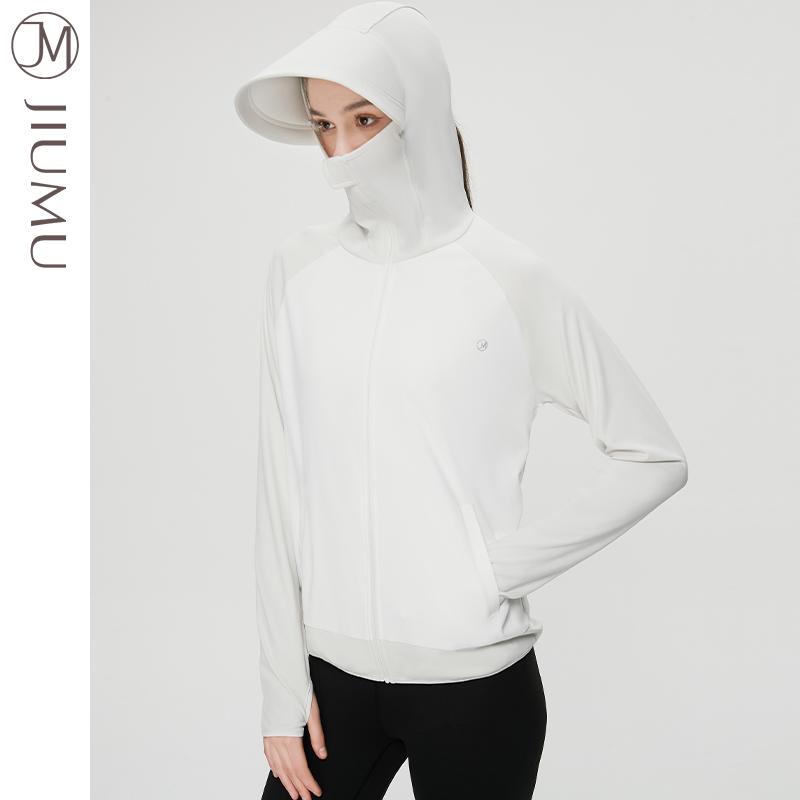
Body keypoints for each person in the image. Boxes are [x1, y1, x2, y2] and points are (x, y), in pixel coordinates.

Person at [233, 3, 688, 799]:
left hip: (477, 689)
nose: (341, 151)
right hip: (331, 680)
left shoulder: (508, 278)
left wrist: (496, 568)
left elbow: (653, 456)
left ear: (419, 112)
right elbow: (281, 484)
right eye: (322, 125)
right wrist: (280, 688)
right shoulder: (299, 272)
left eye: (364, 119)